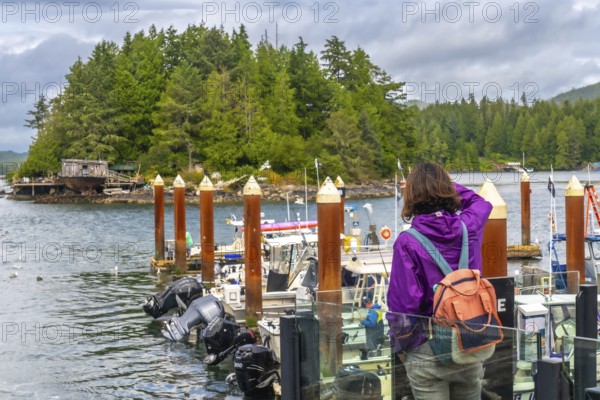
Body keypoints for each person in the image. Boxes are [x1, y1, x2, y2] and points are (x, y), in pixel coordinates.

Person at [386, 162, 492, 400]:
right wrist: (443, 185)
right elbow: (481, 203)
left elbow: (404, 306)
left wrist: (406, 350)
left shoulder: (407, 242)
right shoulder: (469, 227)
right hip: (470, 343)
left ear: (411, 195)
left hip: (428, 350)